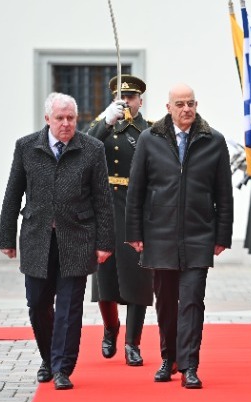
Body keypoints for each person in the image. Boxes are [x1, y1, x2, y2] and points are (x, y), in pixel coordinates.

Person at [0, 92, 115, 390]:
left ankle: (63, 367)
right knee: (37, 304)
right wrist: (6, 237)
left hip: (77, 238)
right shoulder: (26, 147)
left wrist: (105, 242)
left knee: (69, 307)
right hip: (37, 238)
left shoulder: (92, 149)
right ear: (47, 119)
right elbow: (13, 194)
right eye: (60, 118)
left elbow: (103, 200)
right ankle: (48, 358)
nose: (66, 123)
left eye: (71, 118)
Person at [125, 83, 234, 388]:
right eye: (180, 104)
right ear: (168, 108)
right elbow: (136, 190)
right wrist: (134, 232)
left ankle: (189, 366)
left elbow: (224, 193)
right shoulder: (150, 139)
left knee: (192, 301)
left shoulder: (213, 141)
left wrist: (222, 234)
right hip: (159, 234)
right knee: (165, 303)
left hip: (199, 234)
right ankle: (168, 358)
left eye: (191, 103)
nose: (187, 109)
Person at [87, 74, 153, 366]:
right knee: (105, 280)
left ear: (140, 101)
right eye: (121, 97)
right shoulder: (102, 127)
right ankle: (110, 327)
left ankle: (132, 343)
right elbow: (82, 148)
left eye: (131, 97)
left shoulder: (149, 131)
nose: (126, 102)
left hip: (136, 210)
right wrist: (106, 122)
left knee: (138, 279)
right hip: (105, 209)